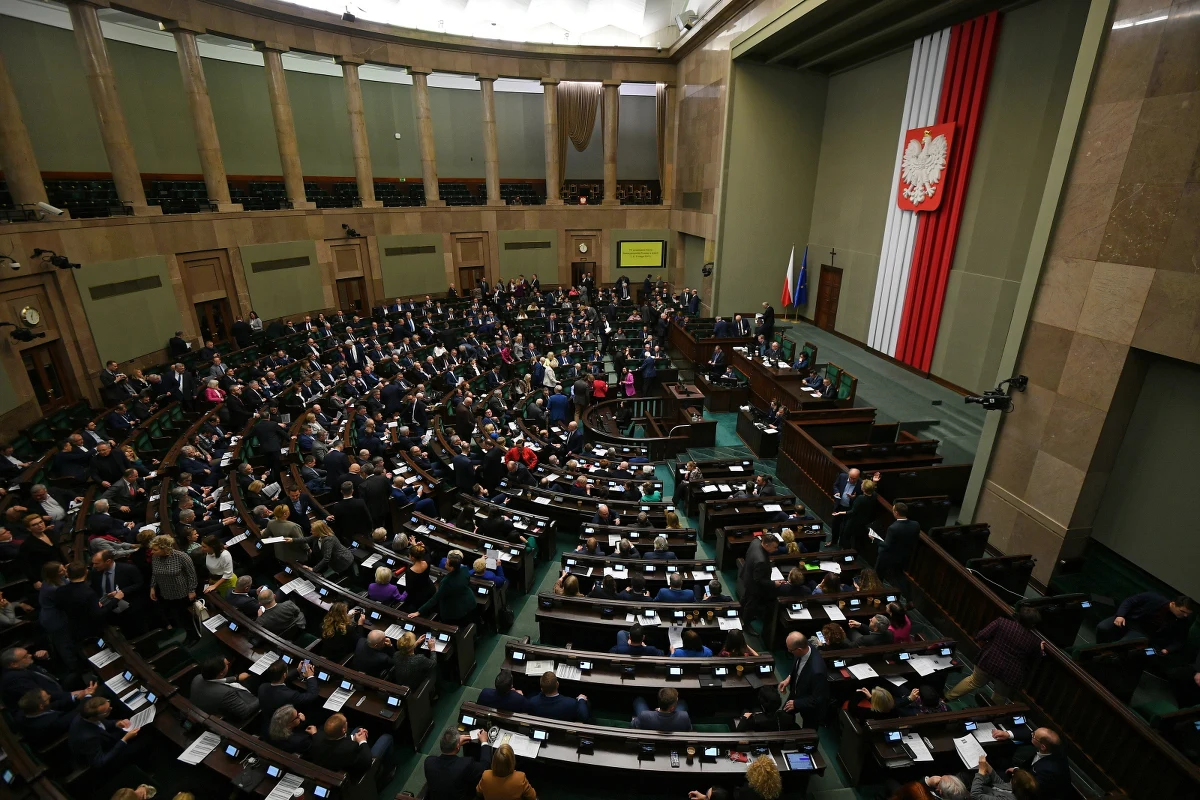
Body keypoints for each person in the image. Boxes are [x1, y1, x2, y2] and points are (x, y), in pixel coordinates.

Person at [945, 606, 1044, 704]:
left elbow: (981, 635)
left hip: (989, 660)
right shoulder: (1035, 641)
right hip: (1009, 673)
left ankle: (946, 698)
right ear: (1033, 624)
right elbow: (1036, 659)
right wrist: (1041, 649)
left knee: (973, 681)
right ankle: (991, 717)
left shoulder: (1002, 622)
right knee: (1000, 695)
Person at [1095, 593, 1194, 655]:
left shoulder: (1182, 621)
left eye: (1188, 614)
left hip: (1144, 632)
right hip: (1129, 619)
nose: (1185, 615)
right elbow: (1129, 601)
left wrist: (1168, 649)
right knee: (1102, 627)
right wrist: (1120, 615)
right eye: (1183, 611)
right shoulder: (1154, 598)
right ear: (1173, 604)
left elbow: (1180, 640)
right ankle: (1098, 651)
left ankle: (1108, 657)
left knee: (1123, 645)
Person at [310, 713, 394, 782]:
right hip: (352, 776)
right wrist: (362, 741)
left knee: (357, 728)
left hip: (331, 766)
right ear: (343, 730)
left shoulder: (317, 738)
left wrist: (354, 738)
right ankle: (387, 774)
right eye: (345, 722)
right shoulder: (350, 748)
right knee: (387, 738)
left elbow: (338, 742)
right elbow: (367, 761)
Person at [68, 696, 144, 771]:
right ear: (96, 717)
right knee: (144, 741)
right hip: (106, 756)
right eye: (107, 710)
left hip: (105, 739)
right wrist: (124, 740)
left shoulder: (86, 715)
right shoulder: (88, 738)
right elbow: (99, 762)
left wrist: (117, 723)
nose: (111, 708)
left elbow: (103, 723)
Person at [988, 727, 1068, 798]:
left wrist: (1017, 772)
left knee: (990, 778)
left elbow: (1029, 789)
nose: (1031, 734)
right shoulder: (1052, 747)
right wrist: (1007, 734)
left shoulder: (1049, 771)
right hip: (1024, 771)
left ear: (1043, 747)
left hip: (1025, 789)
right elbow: (1029, 734)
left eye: (1033, 736)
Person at [148, 535, 198, 643]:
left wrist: (192, 590)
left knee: (186, 616)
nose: (152, 552)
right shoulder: (155, 557)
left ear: (165, 548)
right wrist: (152, 587)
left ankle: (194, 635)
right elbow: (154, 573)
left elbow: (192, 575)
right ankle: (188, 634)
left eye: (155, 549)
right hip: (165, 592)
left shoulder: (181, 557)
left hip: (182, 593)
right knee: (177, 616)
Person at [425, 726, 492, 800]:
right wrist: (484, 742)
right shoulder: (465, 764)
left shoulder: (428, 762)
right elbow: (485, 767)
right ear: (457, 746)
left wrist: (457, 744)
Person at [258, 658, 319, 738]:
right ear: (284, 675)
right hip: (284, 727)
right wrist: (310, 676)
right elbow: (312, 695)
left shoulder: (262, 687)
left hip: (268, 722)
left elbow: (279, 681)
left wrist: (297, 670)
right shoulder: (290, 695)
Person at [778, 632, 829, 727]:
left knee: (809, 732)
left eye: (791, 651)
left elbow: (818, 699)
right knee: (784, 715)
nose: (789, 652)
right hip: (797, 690)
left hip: (810, 706)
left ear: (799, 650)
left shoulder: (817, 671)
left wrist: (796, 703)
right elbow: (798, 668)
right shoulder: (804, 646)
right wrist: (789, 678)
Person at [190, 656, 259, 724]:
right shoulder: (226, 693)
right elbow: (245, 711)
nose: (229, 663)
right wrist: (264, 697)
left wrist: (236, 678)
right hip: (237, 718)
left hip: (211, 704)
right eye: (227, 664)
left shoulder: (198, 677)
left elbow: (219, 680)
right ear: (221, 673)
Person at [419, 549, 477, 625]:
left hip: (454, 610)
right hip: (469, 601)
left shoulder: (447, 582)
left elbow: (435, 598)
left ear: (452, 567)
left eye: (447, 562)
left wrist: (419, 611)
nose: (445, 562)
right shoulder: (465, 570)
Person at [872, 501, 921, 586]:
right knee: (899, 576)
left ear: (896, 513)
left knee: (878, 573)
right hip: (905, 556)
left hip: (889, 556)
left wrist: (875, 539)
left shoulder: (893, 528)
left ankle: (877, 589)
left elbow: (887, 545)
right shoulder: (915, 524)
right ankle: (907, 597)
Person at [737, 533, 779, 628]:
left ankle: (740, 614)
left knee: (745, 598)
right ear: (767, 545)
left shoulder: (755, 542)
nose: (776, 550)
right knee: (751, 605)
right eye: (775, 547)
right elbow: (759, 580)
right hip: (754, 586)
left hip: (747, 574)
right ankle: (746, 625)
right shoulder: (761, 560)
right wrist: (773, 584)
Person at [971, 757, 1039, 800]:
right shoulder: (1018, 789)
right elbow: (1000, 783)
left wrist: (981, 772)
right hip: (985, 788)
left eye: (1013, 776)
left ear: (1015, 783)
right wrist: (987, 766)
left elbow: (975, 795)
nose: (1012, 775)